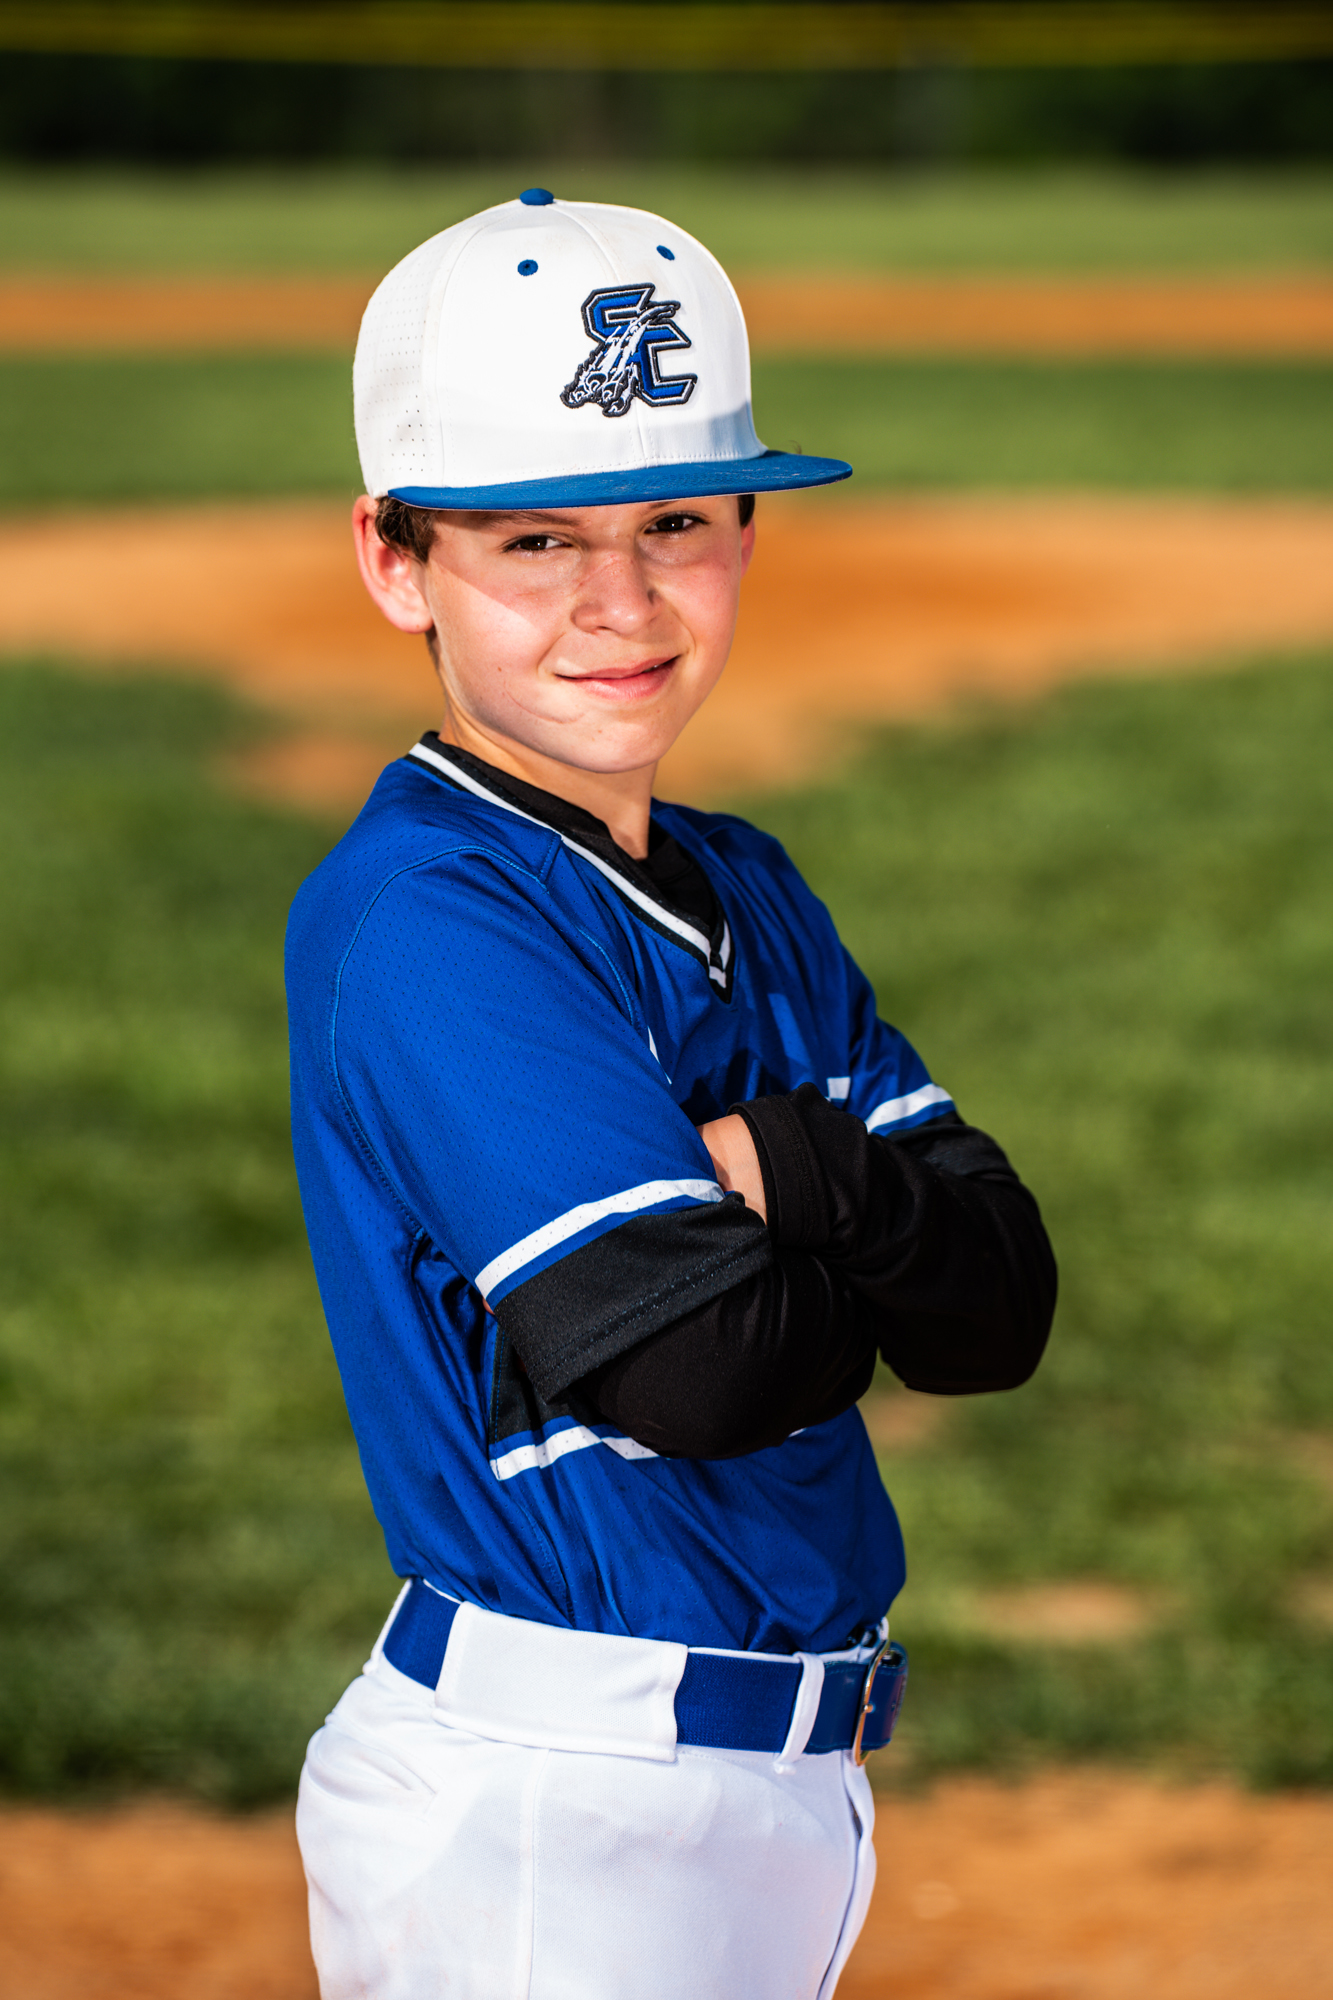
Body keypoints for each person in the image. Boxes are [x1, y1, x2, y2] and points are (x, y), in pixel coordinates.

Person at [286, 189, 1056, 2000]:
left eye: (675, 525)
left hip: (758, 1791)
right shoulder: (426, 918)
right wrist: (861, 1225)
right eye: (534, 540)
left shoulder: (746, 885)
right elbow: (708, 1371)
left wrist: (787, 1165)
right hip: (556, 1812)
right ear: (394, 560)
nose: (619, 604)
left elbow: (996, 1308)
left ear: (743, 536)